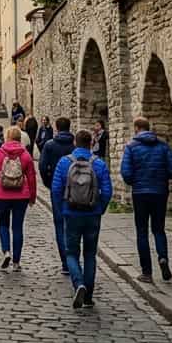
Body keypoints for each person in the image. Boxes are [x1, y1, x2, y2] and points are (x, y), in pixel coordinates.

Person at [52, 129, 113, 308]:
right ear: (91, 143)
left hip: (71, 213)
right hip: (92, 214)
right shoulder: (99, 163)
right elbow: (107, 191)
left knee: (71, 252)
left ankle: (78, 283)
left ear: (75, 143)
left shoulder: (64, 162)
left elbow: (56, 189)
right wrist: (100, 208)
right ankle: (88, 295)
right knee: (90, 254)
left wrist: (61, 209)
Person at [120, 116, 172, 282]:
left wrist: (135, 181)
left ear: (137, 128)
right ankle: (163, 258)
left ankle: (147, 272)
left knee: (142, 231)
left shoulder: (131, 147)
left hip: (140, 193)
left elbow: (126, 172)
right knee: (159, 229)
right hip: (160, 192)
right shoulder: (162, 146)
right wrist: (162, 178)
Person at [0, 126, 37, 271]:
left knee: (3, 224)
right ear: (19, 138)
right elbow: (32, 178)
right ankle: (16, 262)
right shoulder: (25, 155)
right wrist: (32, 196)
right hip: (21, 196)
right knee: (18, 227)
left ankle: (6, 251)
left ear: (7, 137)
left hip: (2, 195)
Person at [38, 117, 76, 275]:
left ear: (56, 128)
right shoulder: (75, 147)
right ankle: (74, 258)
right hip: (76, 189)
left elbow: (42, 166)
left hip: (57, 189)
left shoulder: (50, 145)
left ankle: (66, 263)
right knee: (74, 225)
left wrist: (49, 184)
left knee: (60, 225)